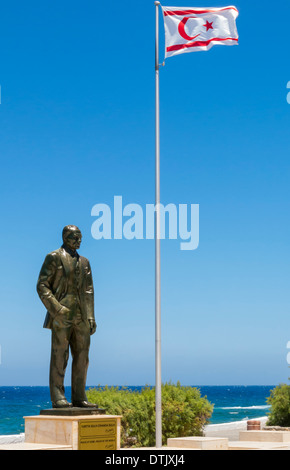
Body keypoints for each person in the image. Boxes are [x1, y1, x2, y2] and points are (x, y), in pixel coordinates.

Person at [37, 225, 97, 408]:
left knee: (82, 357)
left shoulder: (85, 262)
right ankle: (58, 396)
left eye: (80, 237)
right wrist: (57, 309)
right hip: (62, 314)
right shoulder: (54, 257)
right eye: (74, 237)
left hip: (82, 315)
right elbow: (42, 285)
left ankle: (79, 397)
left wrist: (91, 317)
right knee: (59, 355)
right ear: (65, 237)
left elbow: (89, 290)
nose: (79, 240)